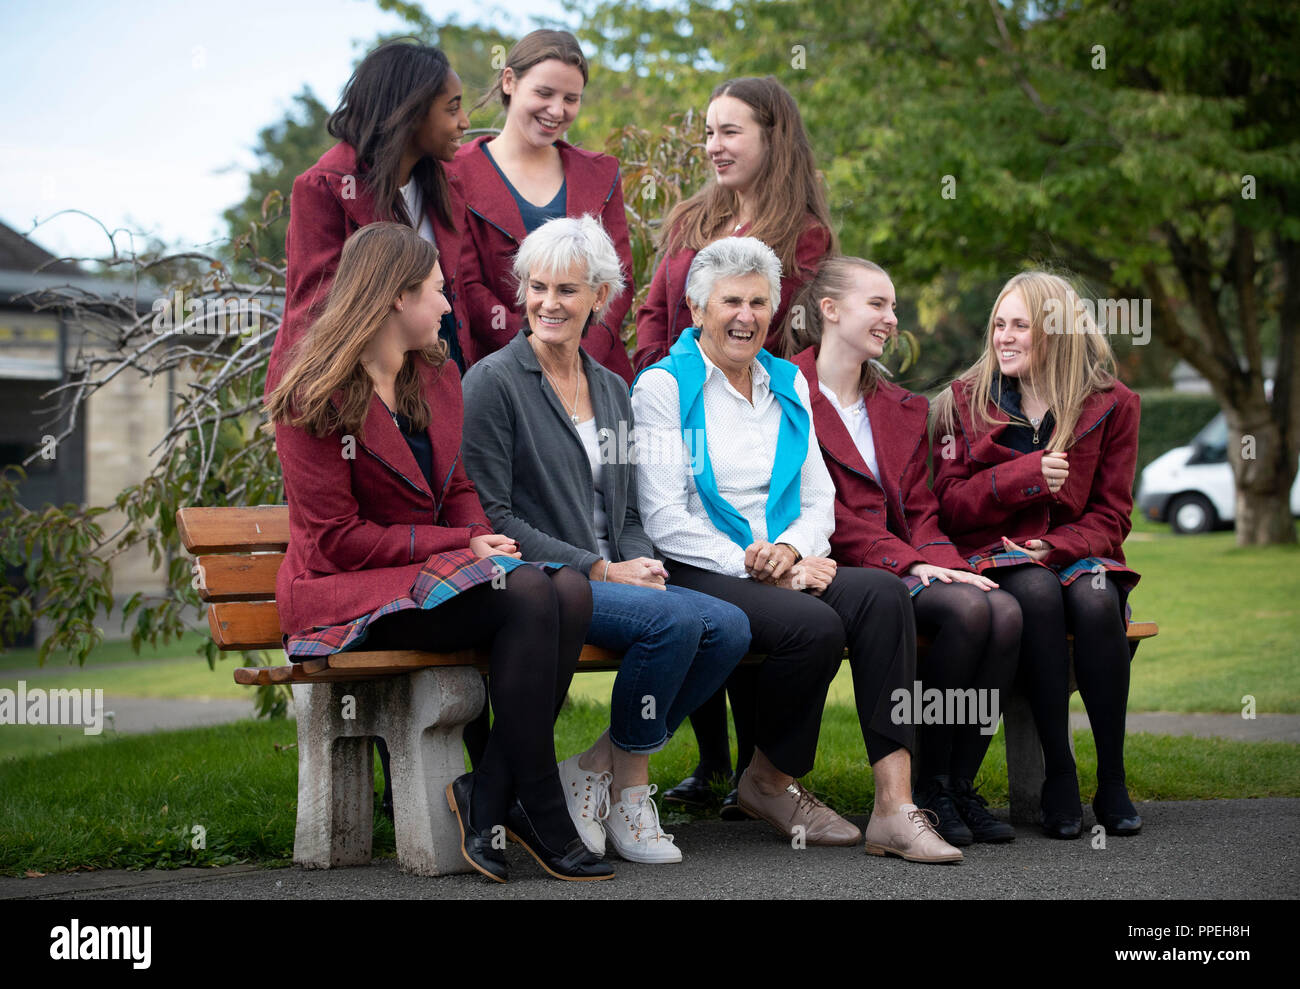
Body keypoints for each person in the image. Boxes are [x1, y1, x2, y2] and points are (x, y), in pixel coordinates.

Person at [264, 221, 613, 883]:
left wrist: (484, 545)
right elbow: (338, 541)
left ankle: (491, 792)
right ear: (397, 297)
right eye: (435, 290)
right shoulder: (315, 397)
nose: (449, 304)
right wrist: (464, 544)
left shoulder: (434, 373)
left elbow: (456, 484)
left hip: (429, 579)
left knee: (568, 588)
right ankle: (532, 801)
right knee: (534, 593)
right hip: (349, 597)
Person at [632, 236, 964, 863]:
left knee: (884, 595)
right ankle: (768, 779)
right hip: (701, 565)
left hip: (787, 557)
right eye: (731, 301)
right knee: (812, 625)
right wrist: (753, 563)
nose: (746, 315)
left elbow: (818, 499)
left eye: (759, 302)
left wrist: (787, 550)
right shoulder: (663, 389)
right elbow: (663, 517)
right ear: (699, 308)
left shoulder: (788, 384)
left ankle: (895, 806)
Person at [461, 215, 750, 865]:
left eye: (567, 289)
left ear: (599, 296)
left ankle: (594, 768)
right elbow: (494, 516)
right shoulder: (494, 383)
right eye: (537, 287)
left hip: (610, 576)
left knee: (729, 626)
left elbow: (622, 510)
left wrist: (637, 558)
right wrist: (598, 568)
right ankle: (631, 794)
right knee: (674, 626)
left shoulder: (612, 390)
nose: (548, 303)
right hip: (546, 583)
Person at [786, 256, 1022, 846]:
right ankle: (928, 787)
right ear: (830, 310)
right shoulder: (782, 391)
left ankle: (955, 782)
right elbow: (820, 512)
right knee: (969, 612)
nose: (892, 317)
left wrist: (951, 566)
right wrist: (916, 565)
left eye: (893, 306)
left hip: (905, 564)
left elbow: (920, 508)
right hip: (840, 568)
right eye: (878, 304)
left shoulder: (900, 406)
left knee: (1004, 610)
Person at [930, 271, 1143, 840]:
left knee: (1098, 600)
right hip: (998, 555)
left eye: (1019, 324)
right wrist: (1022, 476)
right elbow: (949, 507)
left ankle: (1114, 778)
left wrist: (1059, 545)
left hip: (1074, 552)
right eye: (999, 324)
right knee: (1038, 592)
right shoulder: (964, 400)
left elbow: (1113, 515)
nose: (1003, 336)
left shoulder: (1113, 403)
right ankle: (1061, 773)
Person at [267, 40, 472, 393]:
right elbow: (316, 314)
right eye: (452, 109)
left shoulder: (446, 185)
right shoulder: (324, 187)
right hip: (359, 391)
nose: (464, 122)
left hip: (439, 381)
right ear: (412, 110)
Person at [452, 29, 635, 382]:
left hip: (593, 373)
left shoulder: (601, 172)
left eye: (571, 98)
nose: (557, 110)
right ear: (509, 81)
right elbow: (468, 284)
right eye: (544, 93)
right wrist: (534, 355)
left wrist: (578, 357)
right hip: (500, 373)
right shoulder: (456, 173)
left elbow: (618, 279)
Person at [631, 75, 834, 374]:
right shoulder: (692, 220)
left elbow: (783, 337)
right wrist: (658, 375)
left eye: (729, 133)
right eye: (710, 133)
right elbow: (655, 311)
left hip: (746, 404)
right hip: (666, 395)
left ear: (772, 139)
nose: (713, 146)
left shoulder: (805, 236)